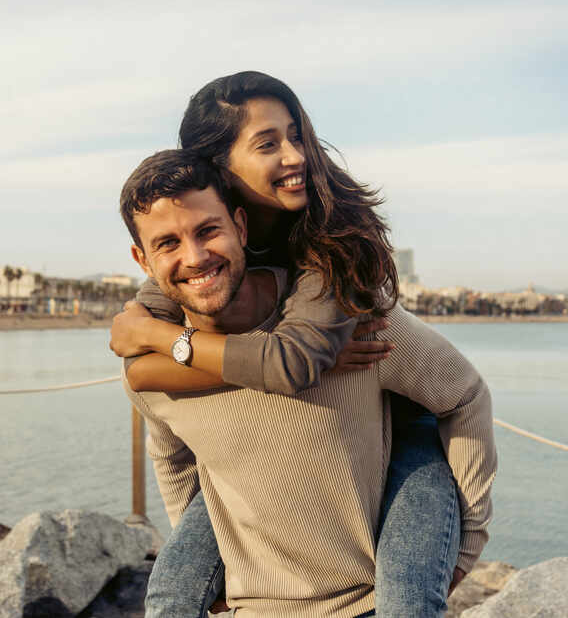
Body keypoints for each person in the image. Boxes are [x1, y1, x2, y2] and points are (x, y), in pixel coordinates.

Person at [110, 72, 472, 615]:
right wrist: (155, 347)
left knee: (408, 602)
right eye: (268, 142)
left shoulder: (329, 244)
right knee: (171, 592)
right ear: (216, 166)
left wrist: (313, 359)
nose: (296, 155)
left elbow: (293, 361)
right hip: (272, 438)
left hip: (400, 425)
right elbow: (142, 375)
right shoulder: (197, 245)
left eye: (296, 135)